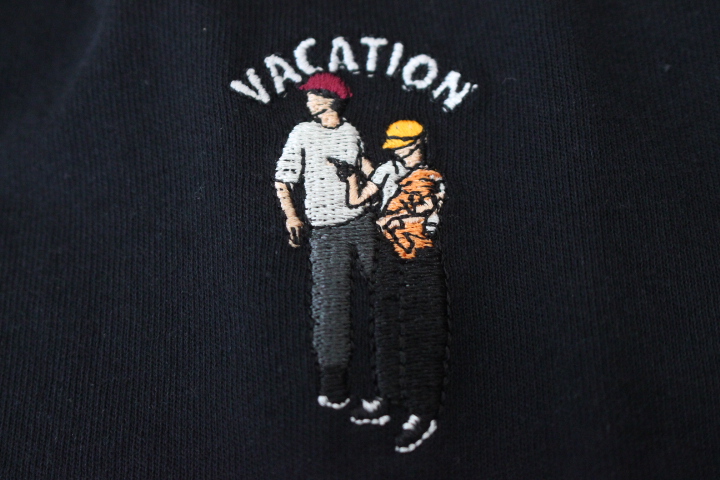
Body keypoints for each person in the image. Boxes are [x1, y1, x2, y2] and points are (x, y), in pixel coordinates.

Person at [334, 120, 450, 453]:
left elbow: (425, 215)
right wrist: (351, 177)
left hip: (419, 254)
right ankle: (388, 395)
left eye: (402, 145)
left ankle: (422, 411)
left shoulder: (431, 178)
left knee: (422, 330)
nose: (398, 151)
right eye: (395, 146)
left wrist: (393, 219)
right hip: (388, 252)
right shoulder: (387, 170)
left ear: (417, 143)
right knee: (386, 324)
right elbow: (357, 200)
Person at [274, 73, 374, 410]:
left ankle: (384, 381)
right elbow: (284, 178)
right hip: (326, 231)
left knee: (381, 297)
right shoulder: (302, 132)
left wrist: (383, 182)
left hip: (363, 223)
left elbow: (365, 165)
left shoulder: (350, 132)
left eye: (312, 95)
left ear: (330, 99)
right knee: (331, 307)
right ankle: (334, 385)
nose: (307, 101)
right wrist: (291, 216)